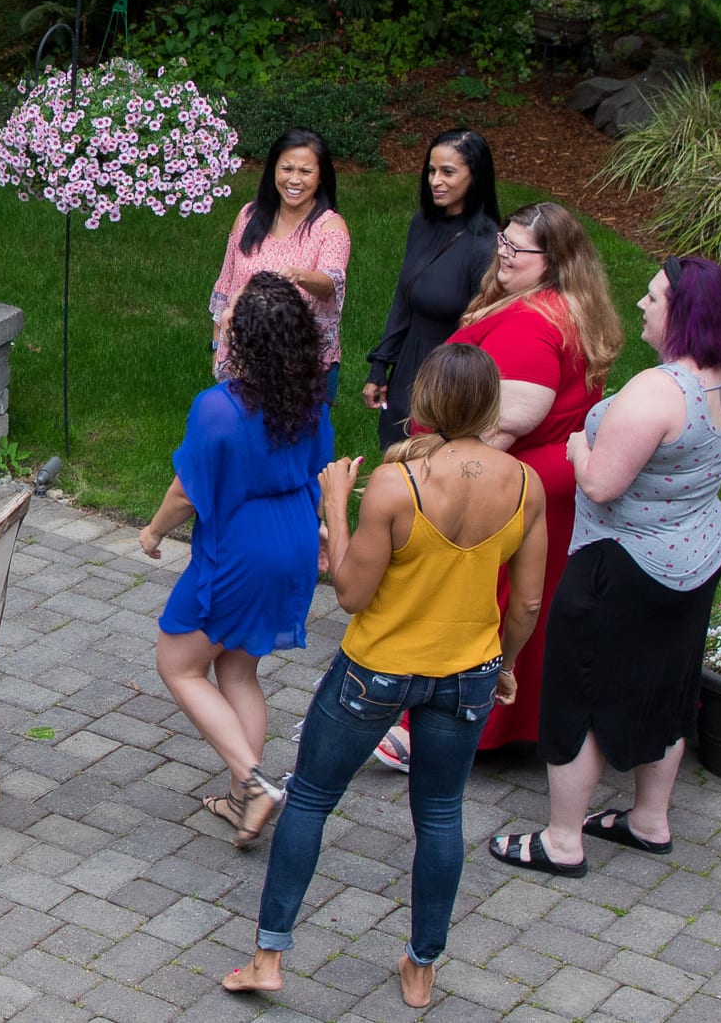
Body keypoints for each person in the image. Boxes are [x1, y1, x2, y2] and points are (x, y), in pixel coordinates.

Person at [223, 345, 547, 1009]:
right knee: (440, 814)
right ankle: (422, 968)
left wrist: (336, 504)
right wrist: (505, 665)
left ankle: (268, 958)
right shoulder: (524, 485)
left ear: (424, 402)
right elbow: (528, 604)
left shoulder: (399, 487)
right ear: (489, 405)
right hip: (466, 676)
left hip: (375, 671)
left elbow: (350, 593)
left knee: (311, 799)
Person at [490, 255, 721, 876]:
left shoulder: (657, 391)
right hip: (696, 554)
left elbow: (602, 486)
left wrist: (579, 445)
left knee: (578, 694)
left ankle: (562, 841)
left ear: (682, 315)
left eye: (654, 298)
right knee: (668, 684)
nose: (641, 304)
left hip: (622, 566)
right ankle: (649, 821)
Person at [374, 201, 620, 772]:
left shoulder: (534, 324)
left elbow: (505, 423)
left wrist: (451, 494)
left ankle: (432, 731)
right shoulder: (565, 308)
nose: (503, 255)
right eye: (503, 243)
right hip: (547, 483)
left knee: (483, 603)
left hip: (513, 487)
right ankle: (509, 724)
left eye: (517, 250)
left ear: (553, 261)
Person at [140, 272, 334, 850]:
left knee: (178, 663)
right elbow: (320, 472)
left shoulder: (218, 408)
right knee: (238, 670)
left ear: (243, 336)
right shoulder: (308, 398)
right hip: (293, 538)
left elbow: (186, 492)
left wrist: (152, 533)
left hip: (242, 550)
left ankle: (253, 783)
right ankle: (239, 799)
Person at [364, 130, 501, 449]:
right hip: (409, 362)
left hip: (449, 375)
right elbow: (404, 298)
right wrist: (380, 365)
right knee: (394, 458)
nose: (435, 181)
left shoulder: (485, 246)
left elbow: (482, 331)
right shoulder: (423, 223)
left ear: (475, 176)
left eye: (448, 172)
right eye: (431, 170)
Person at [210, 129, 352, 404]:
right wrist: (218, 344)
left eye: (305, 171)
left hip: (302, 364)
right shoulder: (248, 216)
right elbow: (226, 284)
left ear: (321, 176)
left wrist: (300, 276)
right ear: (273, 170)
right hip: (243, 358)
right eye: (286, 168)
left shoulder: (330, 227)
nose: (294, 179)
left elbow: (331, 282)